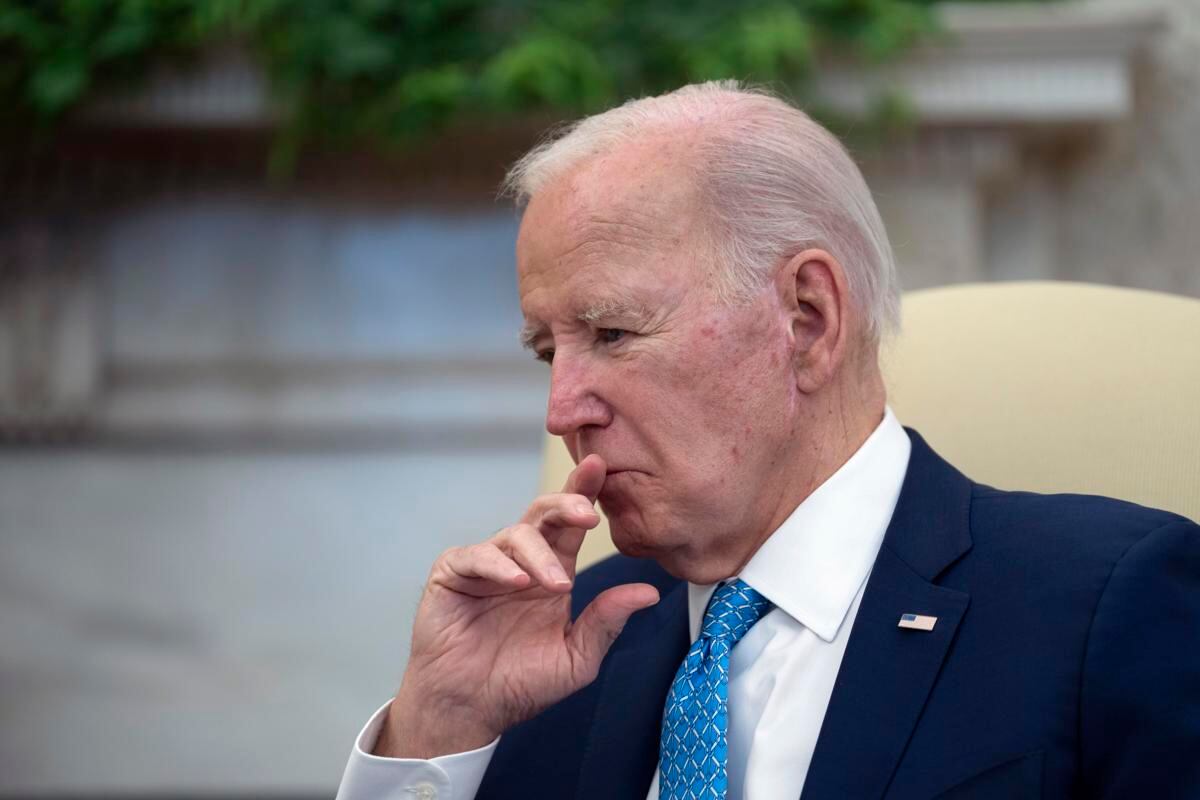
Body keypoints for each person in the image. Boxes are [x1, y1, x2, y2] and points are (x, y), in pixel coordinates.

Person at [336, 82, 1200, 799]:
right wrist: (439, 733)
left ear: (807, 320)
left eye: (614, 334)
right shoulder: (556, 652)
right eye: (544, 351)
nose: (562, 410)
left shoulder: (1106, 601)